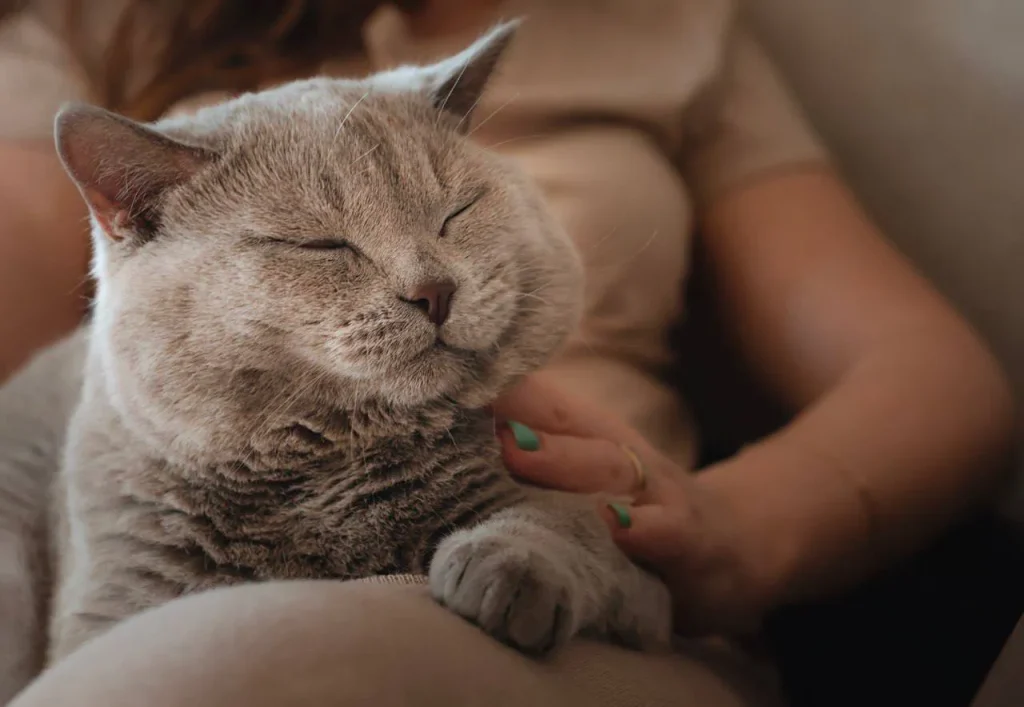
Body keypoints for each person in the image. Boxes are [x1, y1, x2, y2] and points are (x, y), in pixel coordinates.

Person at [0, 0, 1014, 705]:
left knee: (248, 664)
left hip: (572, 564)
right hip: (162, 484)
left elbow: (933, 378)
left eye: (456, 212)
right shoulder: (96, 25)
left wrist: (730, 527)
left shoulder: (662, 25)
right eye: (318, 247)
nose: (420, 282)